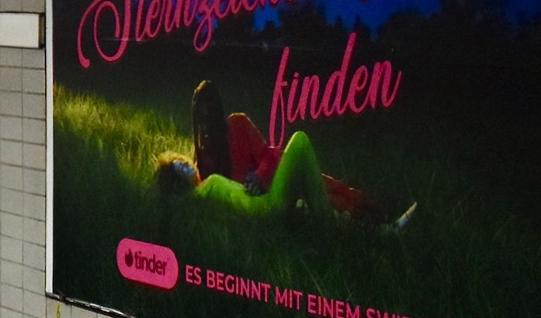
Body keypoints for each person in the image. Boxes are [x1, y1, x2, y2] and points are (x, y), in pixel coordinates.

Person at [156, 79, 411, 228]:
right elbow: (211, 196)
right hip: (267, 201)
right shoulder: (203, 158)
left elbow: (265, 155)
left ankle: (382, 217)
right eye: (200, 120)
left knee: (335, 191)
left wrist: (258, 176)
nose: (205, 125)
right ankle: (380, 228)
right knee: (326, 203)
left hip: (276, 176)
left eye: (209, 117)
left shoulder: (237, 123)